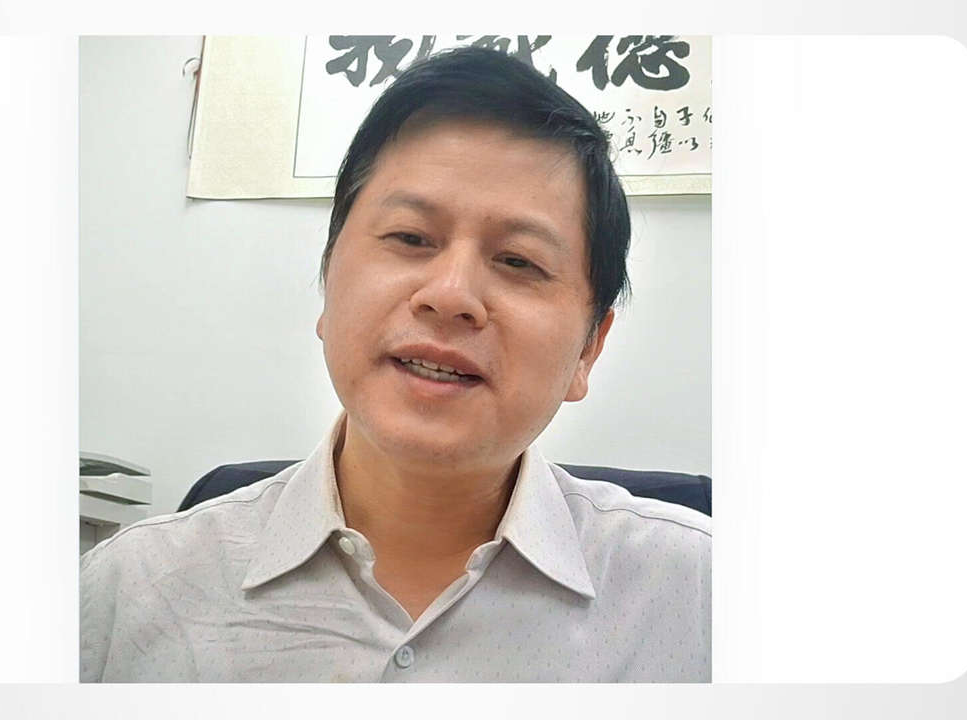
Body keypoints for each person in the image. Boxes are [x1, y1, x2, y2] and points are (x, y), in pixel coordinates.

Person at [80, 46, 710, 682]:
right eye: (410, 238)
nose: (451, 295)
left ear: (588, 349)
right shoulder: (130, 592)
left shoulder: (701, 599)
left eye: (518, 261)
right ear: (328, 283)